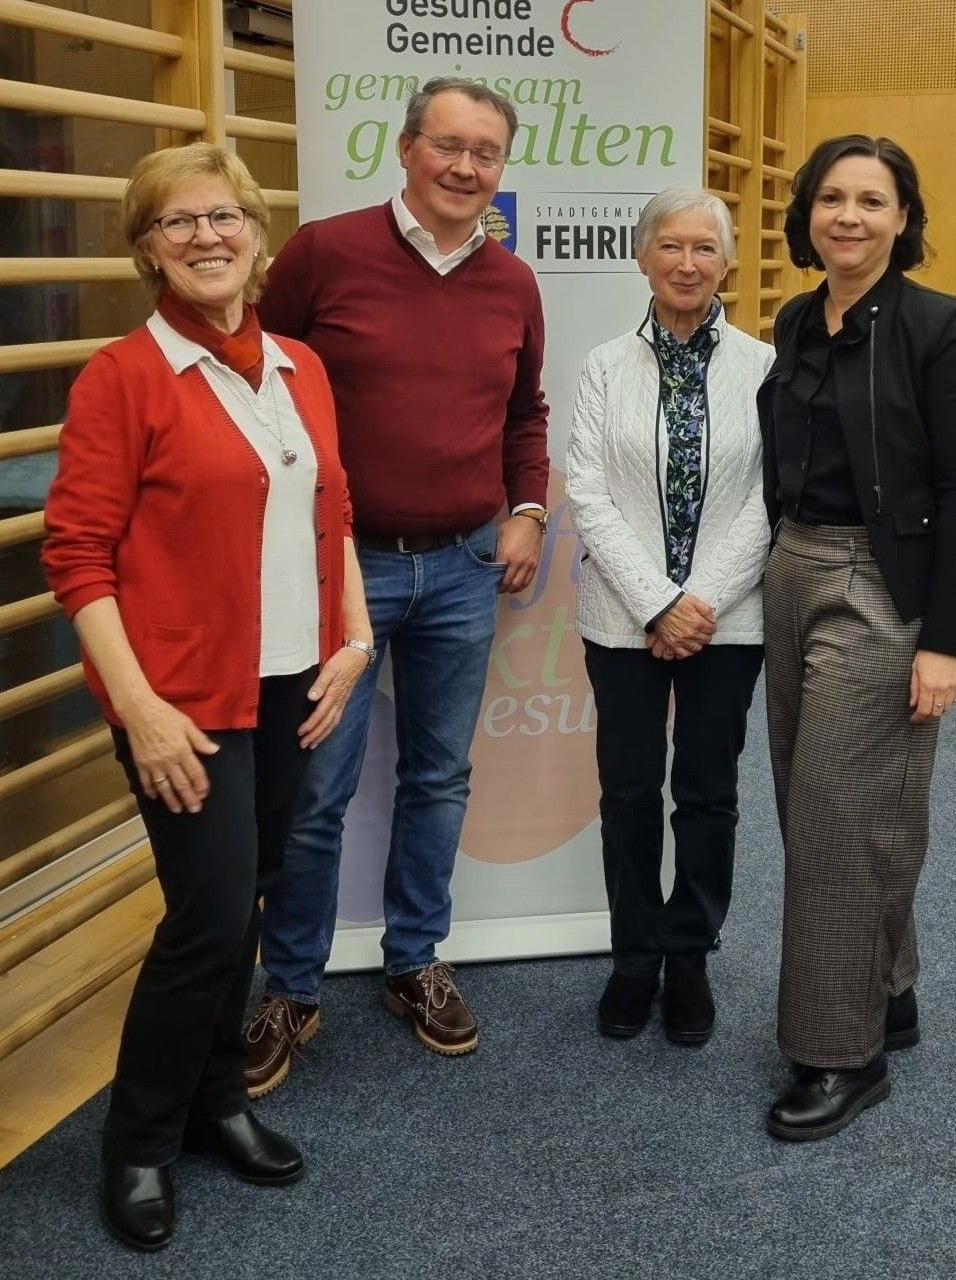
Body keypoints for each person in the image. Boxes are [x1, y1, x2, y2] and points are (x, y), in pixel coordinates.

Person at [42, 144, 372, 1249]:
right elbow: (78, 557)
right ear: (146, 252)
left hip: (292, 681)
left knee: (253, 894)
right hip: (179, 698)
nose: (204, 237)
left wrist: (355, 635)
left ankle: (215, 1099)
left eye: (222, 216)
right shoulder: (122, 376)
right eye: (175, 224)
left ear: (257, 235)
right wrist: (137, 708)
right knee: (208, 915)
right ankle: (137, 1139)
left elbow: (333, 512)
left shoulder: (299, 367)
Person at [245, 77, 549, 1086]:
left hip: (465, 566)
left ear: (502, 167)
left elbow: (523, 413)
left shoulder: (512, 282)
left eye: (486, 152)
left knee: (438, 777)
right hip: (343, 573)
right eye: (448, 145)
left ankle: (412, 958)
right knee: (315, 790)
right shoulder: (323, 253)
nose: (466, 167)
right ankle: (289, 984)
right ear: (406, 146)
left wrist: (526, 508)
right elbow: (260, 385)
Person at [756, 135, 956, 1140]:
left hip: (879, 584)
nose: (846, 216)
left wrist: (942, 642)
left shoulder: (937, 326)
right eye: (829, 198)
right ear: (806, 212)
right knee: (813, 797)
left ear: (902, 219)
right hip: (791, 567)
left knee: (833, 824)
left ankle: (836, 1053)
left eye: (870, 200)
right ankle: (885, 988)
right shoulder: (794, 318)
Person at [566, 187, 775, 1044]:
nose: (686, 263)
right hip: (620, 618)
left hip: (726, 620)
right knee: (625, 792)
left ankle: (688, 954)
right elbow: (584, 489)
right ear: (642, 256)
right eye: (670, 246)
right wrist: (655, 601)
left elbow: (772, 495)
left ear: (726, 263)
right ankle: (634, 957)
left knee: (706, 791)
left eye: (704, 248)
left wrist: (699, 602)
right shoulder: (602, 366)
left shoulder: (763, 366)